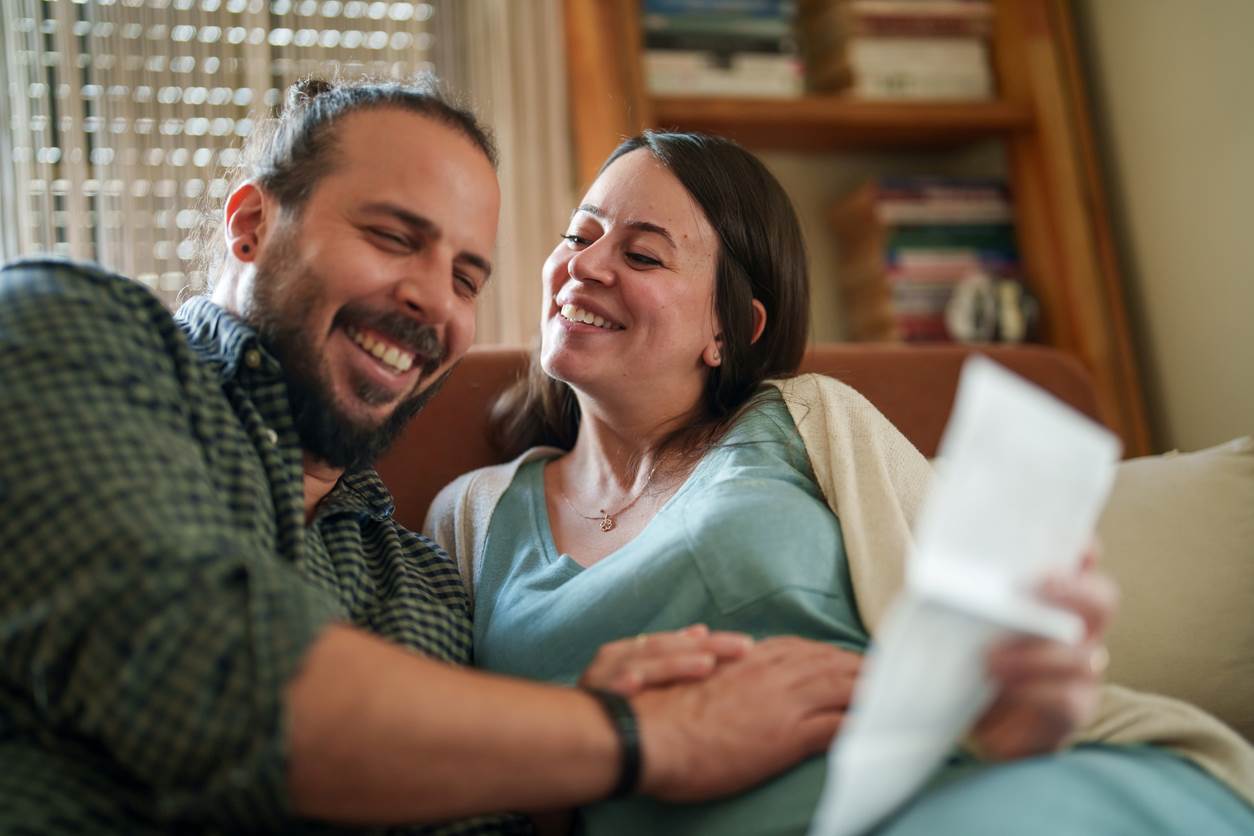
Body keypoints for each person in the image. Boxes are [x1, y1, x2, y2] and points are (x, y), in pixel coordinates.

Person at [0, 80, 868, 835]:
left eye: (466, 278)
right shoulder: (71, 332)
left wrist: (563, 781)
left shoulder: (416, 584)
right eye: (392, 237)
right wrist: (632, 736)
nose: (432, 300)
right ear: (253, 224)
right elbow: (209, 677)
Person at [426, 130, 1254, 835]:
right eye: (578, 236)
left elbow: (975, 646)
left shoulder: (811, 423)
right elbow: (445, 786)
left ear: (729, 328)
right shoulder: (471, 514)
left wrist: (1024, 688)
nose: (586, 266)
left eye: (641, 253)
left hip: (954, 793)